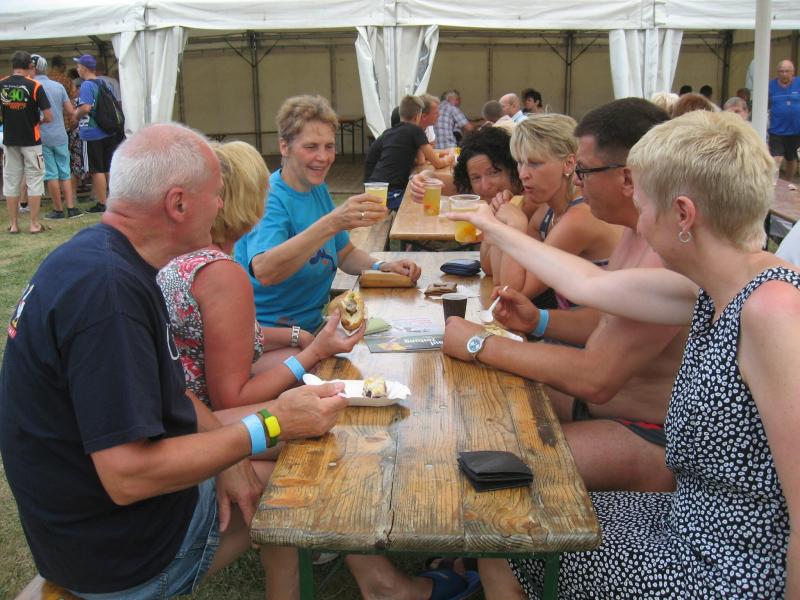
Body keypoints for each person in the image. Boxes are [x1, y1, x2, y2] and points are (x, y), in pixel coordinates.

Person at [456, 110, 799, 600]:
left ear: (683, 215)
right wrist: (488, 223)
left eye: (644, 199)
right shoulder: (712, 288)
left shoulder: (773, 312)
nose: (635, 211)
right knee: (510, 514)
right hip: (686, 519)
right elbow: (587, 283)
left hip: (727, 567)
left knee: (506, 534)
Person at [0, 122, 349, 599]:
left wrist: (228, 456)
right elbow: (127, 476)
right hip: (122, 556)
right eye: (216, 194)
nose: (222, 206)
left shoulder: (97, 258)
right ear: (179, 204)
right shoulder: (110, 294)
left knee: (273, 457)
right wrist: (271, 424)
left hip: (80, 534)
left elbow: (175, 391)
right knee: (302, 472)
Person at [442, 98, 684, 496]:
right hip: (604, 407)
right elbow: (606, 318)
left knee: (490, 468)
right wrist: (539, 320)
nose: (579, 182)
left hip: (651, 435)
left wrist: (479, 343)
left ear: (627, 178)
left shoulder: (668, 250)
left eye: (584, 170)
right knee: (478, 411)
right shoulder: (634, 231)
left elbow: (596, 377)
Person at [158, 140, 361, 410]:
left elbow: (221, 337)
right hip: (206, 422)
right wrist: (315, 351)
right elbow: (231, 400)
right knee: (331, 398)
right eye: (264, 192)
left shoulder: (185, 255)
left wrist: (296, 335)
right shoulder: (221, 274)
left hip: (177, 406)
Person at [235, 95, 421, 333]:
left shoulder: (316, 189)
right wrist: (332, 222)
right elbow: (264, 270)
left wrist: (383, 266)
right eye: (311, 147)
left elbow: (345, 254)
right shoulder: (270, 199)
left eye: (329, 146)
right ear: (284, 146)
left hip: (313, 328)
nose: (323, 157)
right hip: (270, 336)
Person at [482, 114, 622, 301]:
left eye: (534, 163)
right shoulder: (547, 210)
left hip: (599, 320)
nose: (523, 174)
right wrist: (499, 221)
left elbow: (512, 292)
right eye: (520, 162)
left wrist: (513, 226)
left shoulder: (578, 219)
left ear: (569, 164)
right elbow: (494, 273)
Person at [364, 94, 452, 210]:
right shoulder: (416, 131)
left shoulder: (388, 133)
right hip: (390, 193)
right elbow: (438, 163)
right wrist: (450, 157)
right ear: (418, 116)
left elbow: (420, 161)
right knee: (426, 202)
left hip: (373, 189)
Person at [0, 50, 52, 234]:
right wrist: (38, 121)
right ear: (30, 66)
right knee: (35, 180)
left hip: (10, 140)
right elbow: (49, 115)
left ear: (12, 65)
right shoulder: (35, 86)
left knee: (10, 182)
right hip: (32, 140)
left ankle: (14, 224)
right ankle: (34, 224)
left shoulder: (1, 84)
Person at [30, 54, 82, 219]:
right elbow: (70, 111)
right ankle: (71, 208)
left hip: (43, 135)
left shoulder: (32, 87)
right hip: (61, 134)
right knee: (65, 172)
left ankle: (58, 210)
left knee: (51, 174)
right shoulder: (58, 86)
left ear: (33, 69)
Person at [74, 53, 121, 213]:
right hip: (107, 130)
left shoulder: (86, 85)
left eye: (78, 66)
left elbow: (86, 107)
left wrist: (76, 114)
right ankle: (112, 200)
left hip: (92, 132)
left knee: (96, 169)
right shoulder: (103, 83)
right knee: (107, 167)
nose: (77, 69)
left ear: (84, 68)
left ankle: (102, 203)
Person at [768, 59, 800, 180]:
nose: (784, 74)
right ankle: (773, 182)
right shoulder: (770, 85)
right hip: (777, 130)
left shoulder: (798, 83)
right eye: (781, 71)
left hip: (795, 130)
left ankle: (788, 181)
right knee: (777, 157)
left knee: (792, 158)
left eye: (787, 71)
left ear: (793, 72)